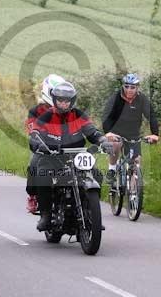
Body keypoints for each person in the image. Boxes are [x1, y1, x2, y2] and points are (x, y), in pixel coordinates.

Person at [29, 82, 113, 231]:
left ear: (72, 101)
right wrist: (38, 144)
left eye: (67, 100)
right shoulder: (46, 116)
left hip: (76, 157)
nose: (63, 103)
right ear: (54, 100)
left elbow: (92, 131)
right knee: (43, 176)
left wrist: (103, 141)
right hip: (52, 156)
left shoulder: (79, 115)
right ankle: (46, 215)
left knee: (97, 175)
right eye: (60, 100)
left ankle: (92, 213)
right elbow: (35, 133)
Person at [101, 73, 159, 184]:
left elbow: (151, 116)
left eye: (132, 87)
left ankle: (134, 195)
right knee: (115, 146)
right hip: (116, 132)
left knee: (136, 162)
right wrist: (108, 133)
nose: (129, 90)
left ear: (137, 88)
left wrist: (155, 134)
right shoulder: (116, 98)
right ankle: (112, 170)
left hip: (133, 134)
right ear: (123, 86)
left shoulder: (142, 99)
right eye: (126, 86)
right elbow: (106, 116)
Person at [25, 74, 65, 214]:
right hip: (44, 149)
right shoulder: (36, 111)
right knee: (34, 165)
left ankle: (87, 205)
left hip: (65, 149)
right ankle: (33, 195)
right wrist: (37, 142)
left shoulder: (67, 110)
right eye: (56, 94)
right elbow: (31, 129)